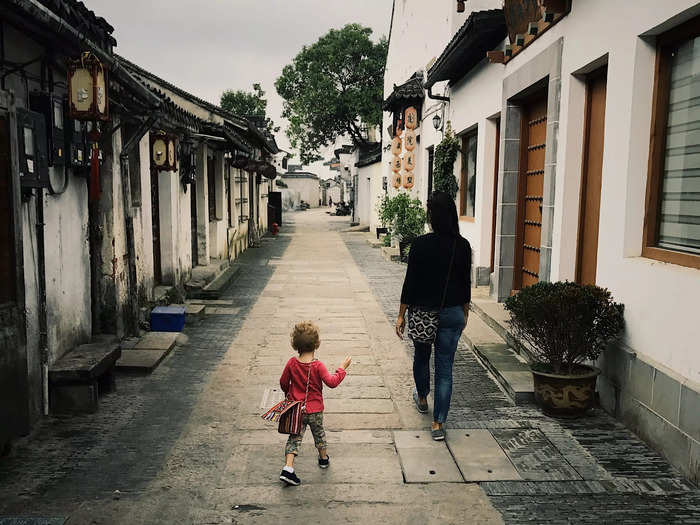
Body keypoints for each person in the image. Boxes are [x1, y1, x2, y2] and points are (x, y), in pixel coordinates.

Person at [395, 191, 471, 441]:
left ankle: (423, 397)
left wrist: (401, 315)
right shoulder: (462, 245)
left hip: (423, 314)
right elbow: (465, 284)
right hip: (452, 313)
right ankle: (438, 424)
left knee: (421, 355)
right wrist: (465, 311)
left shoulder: (420, 244)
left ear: (431, 216)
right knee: (445, 368)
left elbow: (411, 282)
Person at [279, 321, 352, 486]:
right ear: (316, 344)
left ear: (295, 344)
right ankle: (323, 459)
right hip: (315, 410)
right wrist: (342, 368)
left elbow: (283, 382)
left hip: (297, 409)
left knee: (294, 437)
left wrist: (288, 395)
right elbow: (332, 382)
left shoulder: (292, 363)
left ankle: (288, 468)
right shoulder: (318, 365)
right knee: (319, 434)